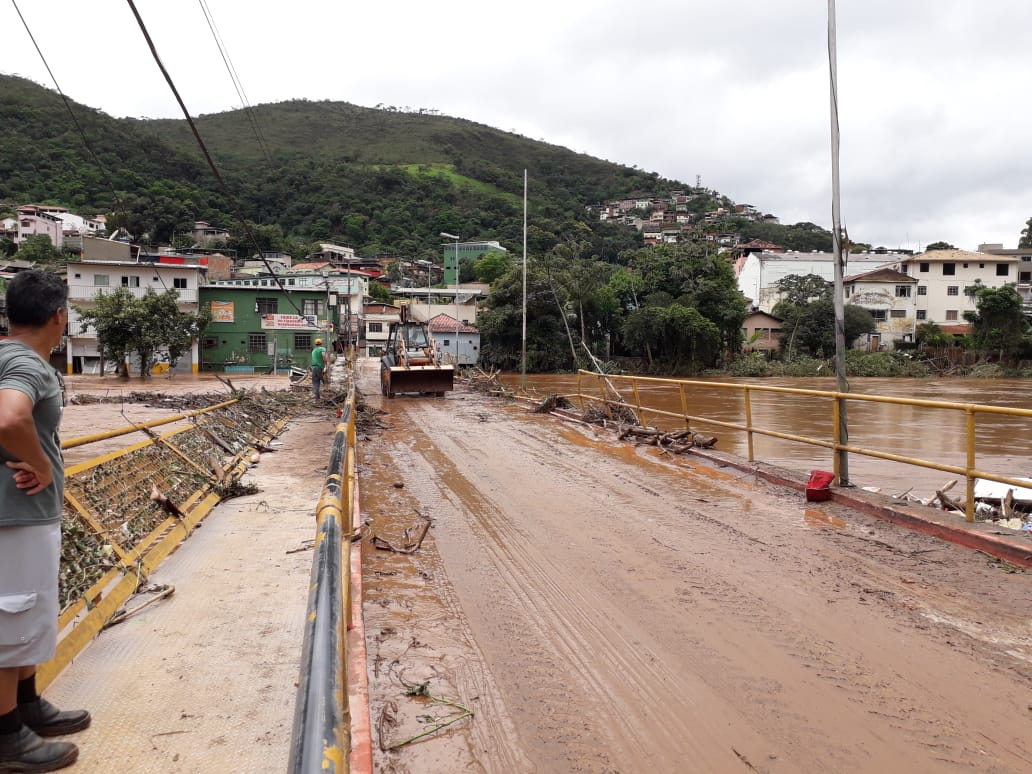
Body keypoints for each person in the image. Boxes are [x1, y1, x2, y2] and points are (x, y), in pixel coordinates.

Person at [0, 270, 89, 772]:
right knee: (10, 620)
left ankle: (28, 705)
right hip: (14, 515)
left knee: (25, 616)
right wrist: (36, 462)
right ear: (59, 316)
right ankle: (8, 737)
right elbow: (9, 418)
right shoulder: (25, 364)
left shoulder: (8, 356)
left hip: (24, 514)